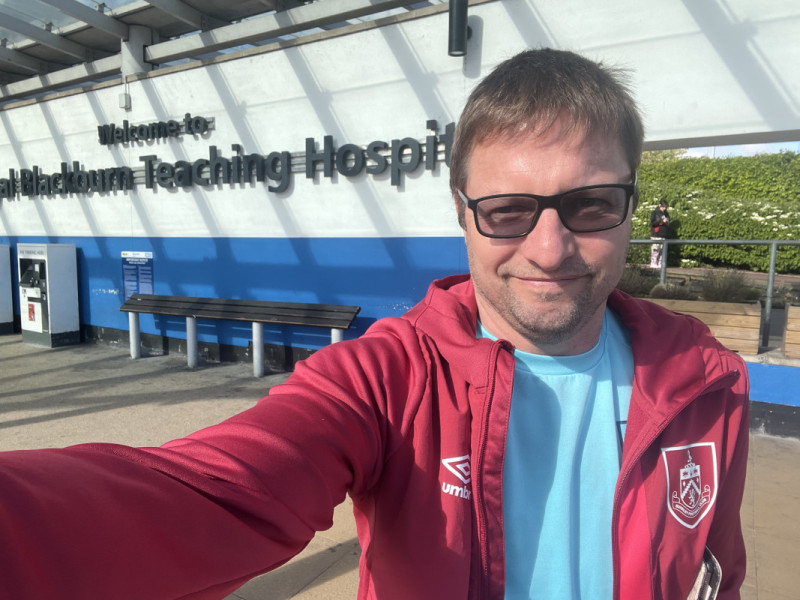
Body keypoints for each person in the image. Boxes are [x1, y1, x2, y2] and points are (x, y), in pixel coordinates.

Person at [0, 49, 749, 600]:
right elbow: (212, 492)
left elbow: (716, 570)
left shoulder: (703, 380)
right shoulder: (386, 380)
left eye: (588, 204)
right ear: (461, 213)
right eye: (507, 211)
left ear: (628, 207)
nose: (549, 249)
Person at [650, 198, 671, 268]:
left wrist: (667, 222)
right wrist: (661, 221)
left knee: (662, 251)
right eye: (663, 207)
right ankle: (653, 263)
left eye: (665, 207)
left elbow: (668, 223)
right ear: (659, 205)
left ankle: (660, 263)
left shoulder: (666, 213)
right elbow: (653, 223)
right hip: (656, 234)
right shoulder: (654, 212)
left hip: (664, 234)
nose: (664, 209)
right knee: (655, 250)